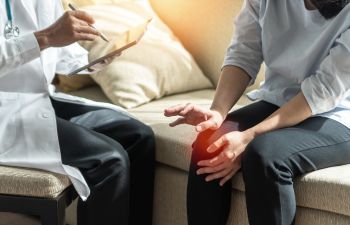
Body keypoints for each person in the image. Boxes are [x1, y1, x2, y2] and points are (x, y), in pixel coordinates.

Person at [165, 0, 350, 225]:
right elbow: (244, 52)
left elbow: (323, 91)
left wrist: (250, 136)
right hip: (281, 100)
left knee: (265, 156)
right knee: (210, 143)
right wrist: (217, 112)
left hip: (339, 114)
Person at [0, 1, 155, 225]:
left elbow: (59, 53)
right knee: (108, 161)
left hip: (40, 99)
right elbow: (47, 39)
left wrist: (95, 60)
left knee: (139, 137)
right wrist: (46, 36)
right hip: (6, 113)